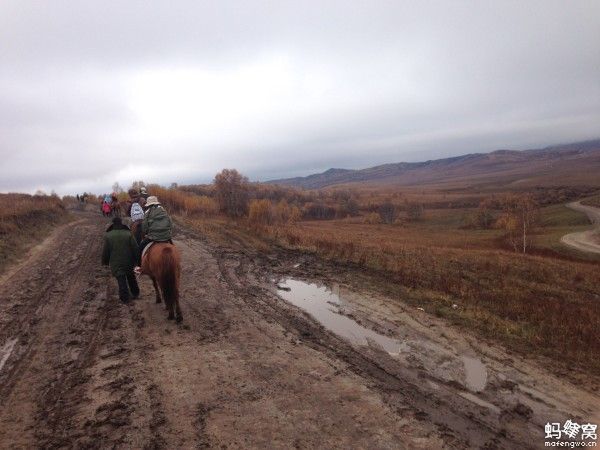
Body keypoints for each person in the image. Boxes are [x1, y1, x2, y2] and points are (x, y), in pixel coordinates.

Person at [102, 217, 140, 304]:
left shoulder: (108, 236)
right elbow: (135, 248)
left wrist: (105, 261)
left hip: (116, 262)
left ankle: (125, 298)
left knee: (121, 279)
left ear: (113, 224)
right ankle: (135, 293)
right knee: (131, 277)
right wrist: (137, 260)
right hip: (129, 261)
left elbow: (106, 251)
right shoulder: (128, 234)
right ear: (121, 223)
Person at [135, 196, 172, 271]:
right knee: (173, 246)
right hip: (166, 236)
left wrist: (146, 233)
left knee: (140, 248)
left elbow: (144, 227)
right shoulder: (163, 210)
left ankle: (139, 266)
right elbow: (170, 223)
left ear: (149, 204)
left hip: (153, 237)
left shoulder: (147, 212)